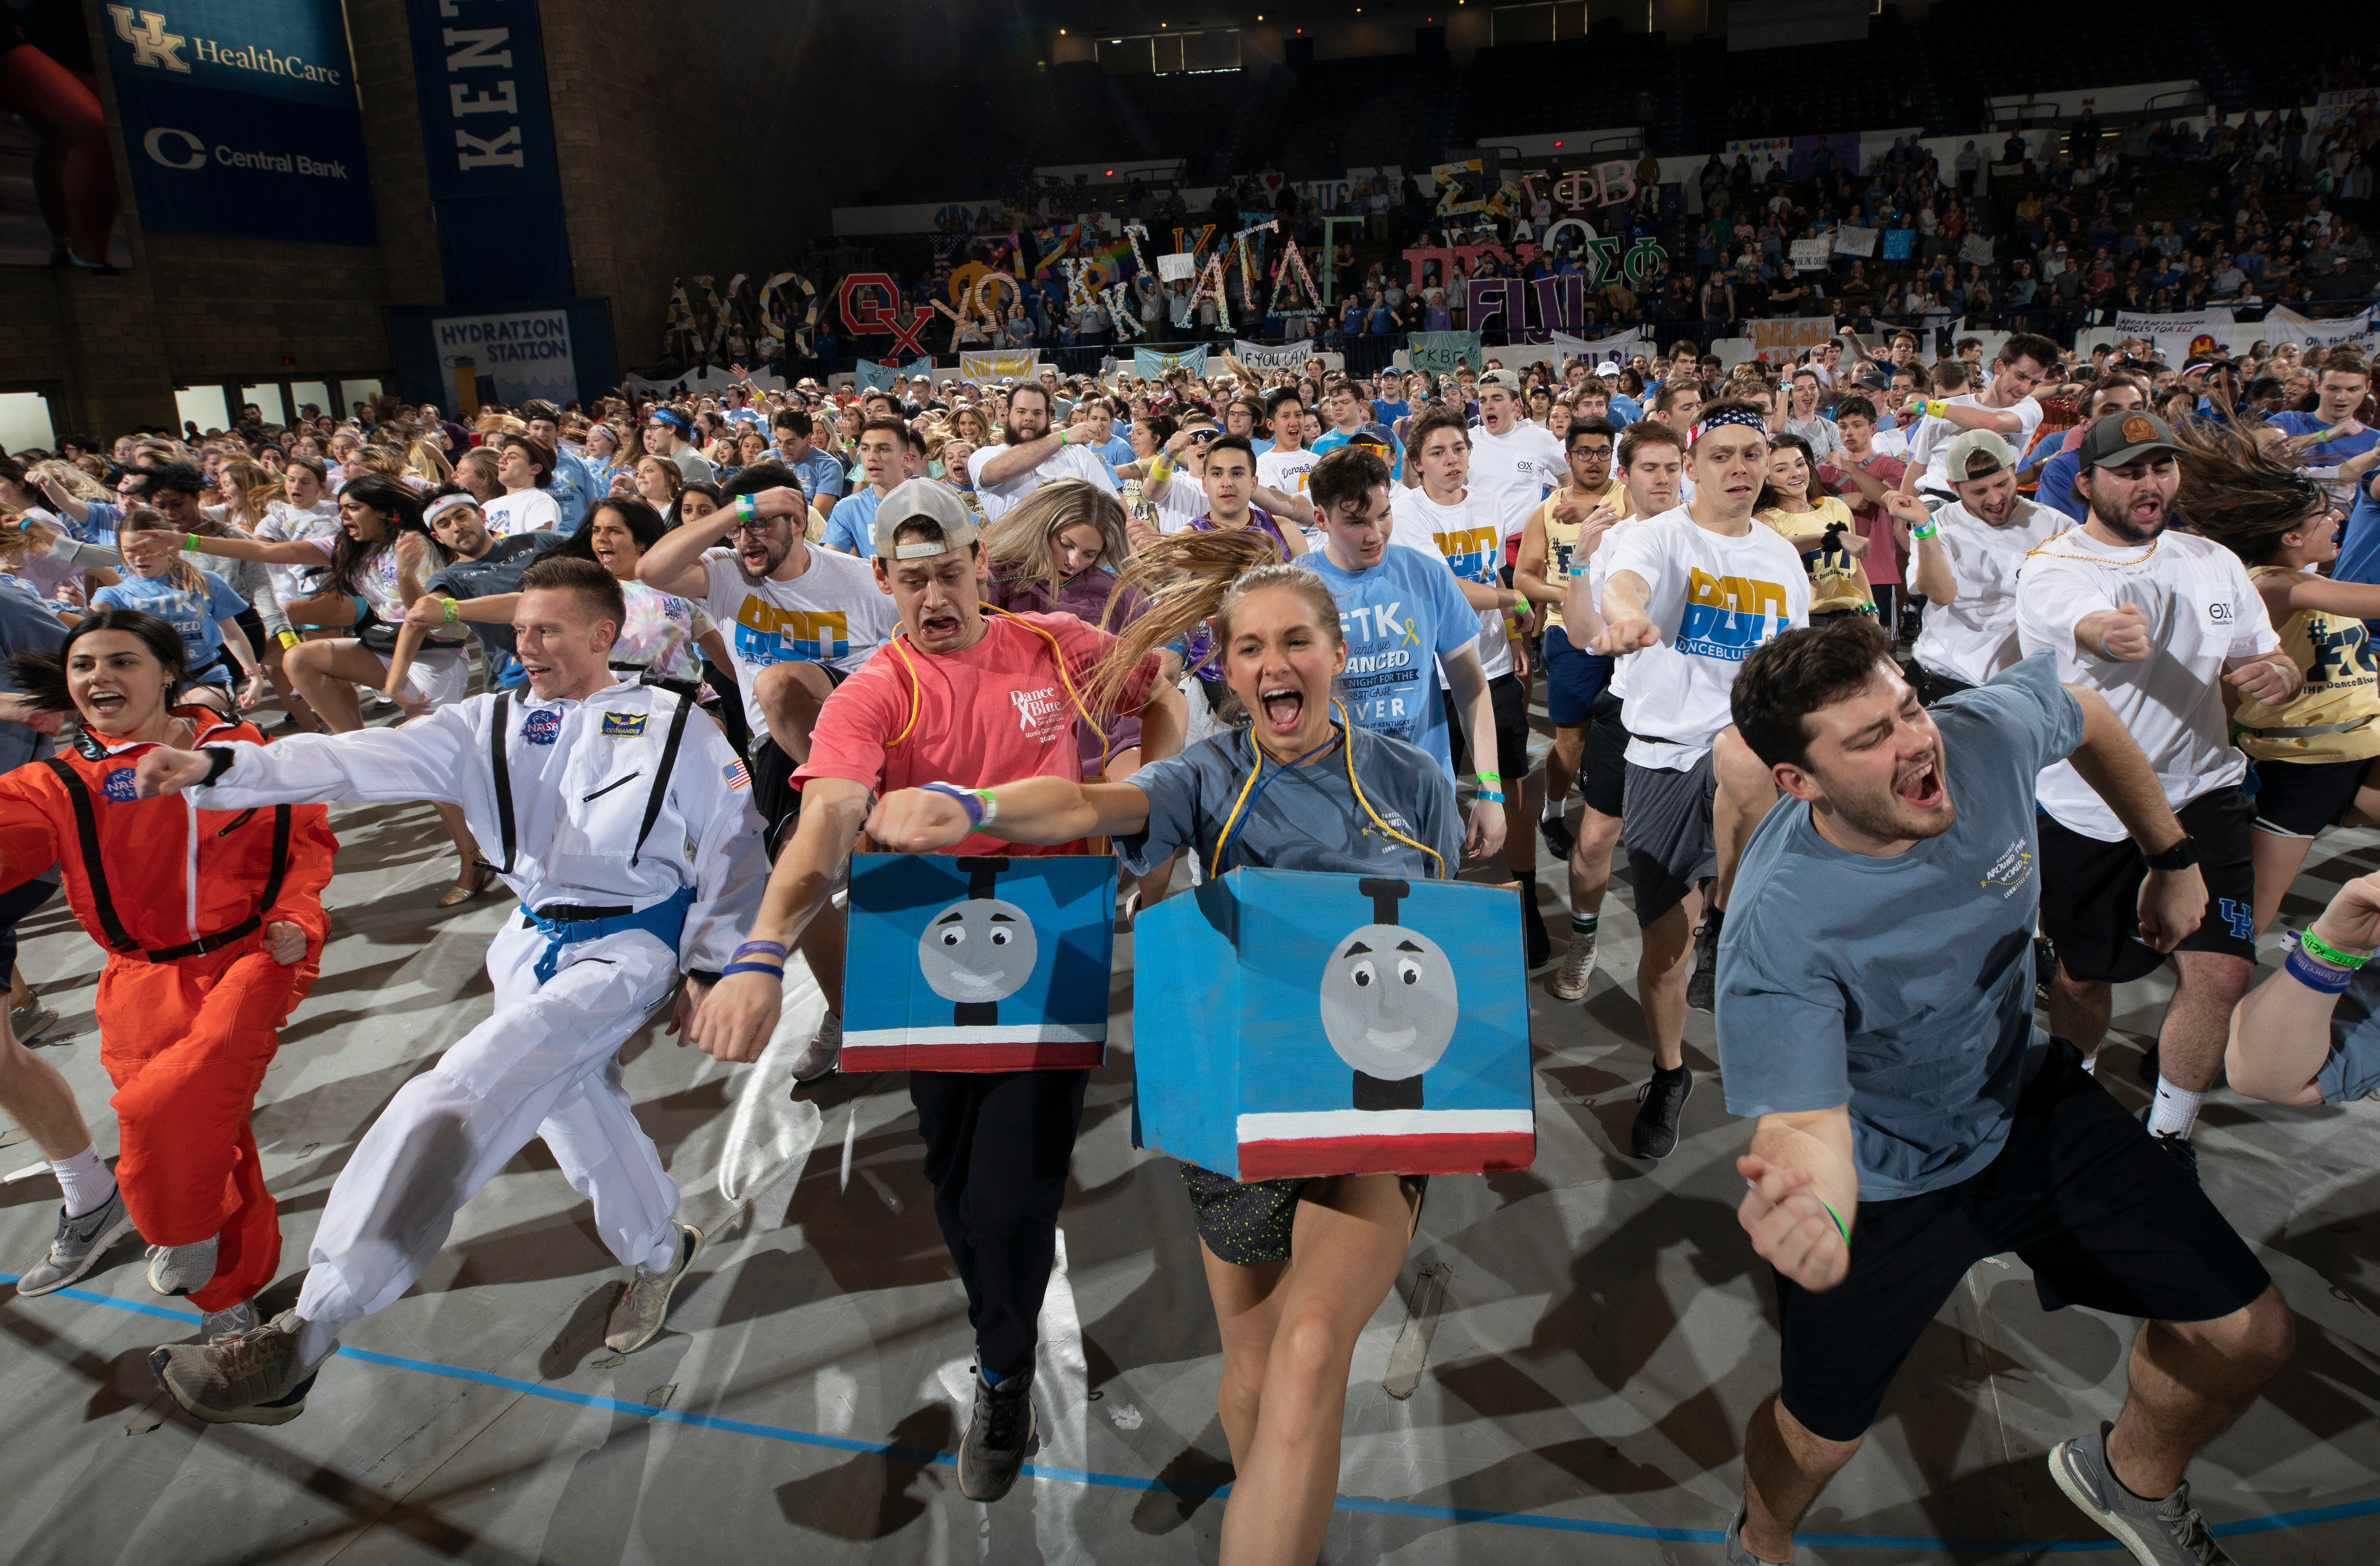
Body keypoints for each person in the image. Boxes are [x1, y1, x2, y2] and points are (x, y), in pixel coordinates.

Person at [864, 532, 1451, 1566]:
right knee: (1260, 1363)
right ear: (1226, 664)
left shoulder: (1411, 781)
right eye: (1254, 648)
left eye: (1298, 641)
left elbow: (1442, 953)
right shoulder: (1206, 775)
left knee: (1312, 1352)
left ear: (1336, 653)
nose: (1278, 666)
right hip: (1234, 1103)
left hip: (1367, 1109)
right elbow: (1091, 802)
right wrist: (978, 808)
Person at [1719, 618, 2293, 1566]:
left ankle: (2131, 1478)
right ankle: (1762, 1539)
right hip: (1889, 1173)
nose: (1914, 739)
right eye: (1869, 738)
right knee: (1821, 1436)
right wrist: (1811, 1195)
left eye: (1906, 707)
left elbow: (2089, 711)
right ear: (1800, 781)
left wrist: (2171, 854)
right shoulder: (1779, 929)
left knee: (2247, 1332)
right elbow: (1804, 1115)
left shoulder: (1975, 735)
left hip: (2018, 1099)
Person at [140, 557, 764, 1425]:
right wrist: (215, 770)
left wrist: (715, 966)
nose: (526, 643)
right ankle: (661, 1246)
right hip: (529, 943)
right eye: (521, 627)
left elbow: (737, 848)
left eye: (547, 628)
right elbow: (354, 760)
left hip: (627, 948)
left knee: (459, 1088)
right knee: (568, 1104)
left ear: (602, 634)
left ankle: (305, 1332)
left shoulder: (674, 726)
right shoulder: (487, 720)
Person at [686, 480, 1185, 1505]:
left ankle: (1002, 1376)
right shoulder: (875, 689)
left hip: (1050, 929)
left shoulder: (1055, 646)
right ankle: (1000, 1325)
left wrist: (1148, 813)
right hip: (924, 944)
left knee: (1012, 1188)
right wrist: (763, 950)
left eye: (951, 574)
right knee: (956, 1182)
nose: (935, 598)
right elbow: (827, 817)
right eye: (912, 582)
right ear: (881, 580)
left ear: (978, 567)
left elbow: (1162, 693)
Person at [0, 608, 333, 1338]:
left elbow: (306, 841)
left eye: (121, 660)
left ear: (168, 672)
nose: (98, 677)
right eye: (84, 665)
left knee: (165, 1112)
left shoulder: (243, 750)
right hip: (139, 984)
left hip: (253, 958)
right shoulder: (59, 781)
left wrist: (295, 915)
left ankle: (174, 1223)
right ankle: (227, 1299)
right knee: (216, 1138)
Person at [2016, 410, 2302, 1174]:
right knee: (2084, 974)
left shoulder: (2212, 560)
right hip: (2093, 805)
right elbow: (2075, 621)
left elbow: (2264, 654)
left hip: (2205, 791)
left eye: (2161, 468)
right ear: (2087, 483)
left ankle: (2167, 1133)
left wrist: (2282, 674)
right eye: (2131, 471)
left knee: (2224, 969)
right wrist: (2105, 634)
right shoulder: (2054, 567)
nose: (2151, 485)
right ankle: (2072, 1090)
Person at [1591, 402, 1809, 1154]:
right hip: (1663, 756)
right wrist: (1626, 617)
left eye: (1754, 453)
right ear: (1692, 466)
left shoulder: (1782, 557)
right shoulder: (1656, 536)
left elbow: (1793, 665)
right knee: (1663, 953)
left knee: (1744, 749)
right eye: (1722, 455)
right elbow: (1624, 583)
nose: (1740, 468)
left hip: (1752, 762)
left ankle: (1730, 920)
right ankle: (1670, 1068)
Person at [637, 462, 900, 1078]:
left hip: (860, 727)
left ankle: (857, 804)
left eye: (765, 525)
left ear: (800, 519)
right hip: (779, 749)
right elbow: (650, 570)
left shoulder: (860, 580)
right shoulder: (727, 577)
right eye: (739, 529)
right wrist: (741, 512)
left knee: (781, 680)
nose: (748, 540)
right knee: (793, 874)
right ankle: (849, 1013)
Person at [158, 476, 487, 907]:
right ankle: (360, 751)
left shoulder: (414, 544)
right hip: (387, 648)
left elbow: (424, 619)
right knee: (301, 659)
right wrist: (183, 541)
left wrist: (405, 577)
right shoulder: (347, 545)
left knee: (431, 768)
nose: (343, 516)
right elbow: (262, 552)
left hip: (434, 657)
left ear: (384, 511)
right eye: (341, 508)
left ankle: (475, 859)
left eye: (353, 508)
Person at [2173, 421, 2380, 935]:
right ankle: (2224, 994)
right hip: (2302, 766)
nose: (2337, 519)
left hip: (2362, 750)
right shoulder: (2274, 584)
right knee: (2248, 919)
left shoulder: (2311, 577)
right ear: (2289, 537)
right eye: (2321, 518)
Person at [1293, 447, 1504, 865]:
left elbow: (1470, 686)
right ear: (1321, 520)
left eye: (1384, 516)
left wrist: (1490, 788)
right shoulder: (1295, 588)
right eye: (1356, 522)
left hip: (1423, 795)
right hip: (1330, 797)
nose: (1376, 534)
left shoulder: (1427, 575)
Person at [1392, 404, 1546, 965]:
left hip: (1493, 665)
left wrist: (1516, 633)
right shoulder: (1406, 512)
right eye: (1437, 452)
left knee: (1511, 788)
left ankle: (1526, 897)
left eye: (1459, 448)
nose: (1452, 459)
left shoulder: (1488, 501)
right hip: (1432, 676)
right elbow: (1449, 587)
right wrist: (1513, 600)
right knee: (1432, 796)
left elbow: (1496, 574)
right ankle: (1435, 910)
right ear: (1417, 463)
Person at [1547, 420, 1685, 1001]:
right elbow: (1581, 634)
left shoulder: (1714, 532)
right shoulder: (1613, 539)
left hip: (1706, 723)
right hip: (1630, 709)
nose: (1663, 479)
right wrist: (1580, 561)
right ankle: (1584, 939)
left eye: (1673, 467)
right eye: (1649, 468)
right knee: (1597, 840)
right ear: (1625, 477)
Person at [1516, 418, 1623, 863]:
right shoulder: (1545, 509)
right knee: (1572, 739)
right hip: (1567, 628)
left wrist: (1592, 518)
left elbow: (1657, 529)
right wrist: (1571, 594)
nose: (1594, 460)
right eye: (1585, 452)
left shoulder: (1628, 497)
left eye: (1603, 451)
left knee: (1630, 731)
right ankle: (1553, 812)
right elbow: (1524, 575)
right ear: (1568, 458)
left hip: (1625, 628)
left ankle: (1619, 807)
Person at [1902, 430, 2063, 705]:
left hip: (2016, 689)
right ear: (1954, 487)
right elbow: (1941, 595)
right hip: (1941, 680)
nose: (1995, 499)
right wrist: (1925, 530)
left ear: (2014, 469)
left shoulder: (2056, 527)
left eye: (2003, 484)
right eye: (1979, 491)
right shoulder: (1936, 526)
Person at [91, 506, 267, 712]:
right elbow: (91, 625)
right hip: (147, 686)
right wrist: (77, 609)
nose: (140, 558)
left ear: (170, 545)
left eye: (148, 549)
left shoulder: (205, 581)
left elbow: (231, 631)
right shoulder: (114, 595)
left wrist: (255, 675)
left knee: (191, 712)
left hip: (204, 678)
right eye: (131, 551)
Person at [1899, 332, 2062, 505]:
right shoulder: (1946, 409)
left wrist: (1926, 407)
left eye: (2035, 383)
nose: (2025, 388)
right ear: (2000, 367)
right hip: (1938, 503)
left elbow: (1992, 423)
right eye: (2020, 376)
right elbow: (1918, 466)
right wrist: (1901, 520)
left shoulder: (2029, 409)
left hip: (1993, 508)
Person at [967, 382, 1120, 523]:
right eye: (1021, 412)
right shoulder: (984, 456)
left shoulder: (1077, 453)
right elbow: (1001, 470)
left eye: (1037, 413)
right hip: (1014, 551)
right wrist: (1063, 437)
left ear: (1048, 417)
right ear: (1007, 414)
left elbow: (1111, 508)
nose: (1029, 418)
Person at [482, 434, 564, 538]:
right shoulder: (488, 506)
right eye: (502, 456)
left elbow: (537, 544)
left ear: (535, 469)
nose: (502, 461)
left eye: (512, 457)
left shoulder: (540, 501)